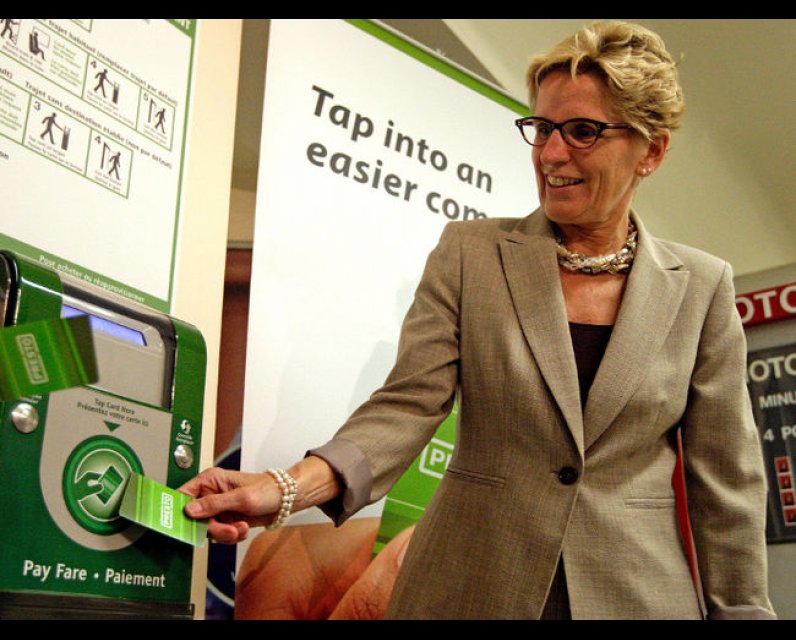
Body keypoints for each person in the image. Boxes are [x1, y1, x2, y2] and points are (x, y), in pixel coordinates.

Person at [182, 21, 776, 619]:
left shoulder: (701, 289)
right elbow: (406, 406)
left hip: (635, 594)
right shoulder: (471, 255)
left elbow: (726, 481)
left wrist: (743, 610)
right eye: (542, 128)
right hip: (471, 584)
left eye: (582, 131)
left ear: (651, 150)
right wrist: (285, 488)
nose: (551, 154)